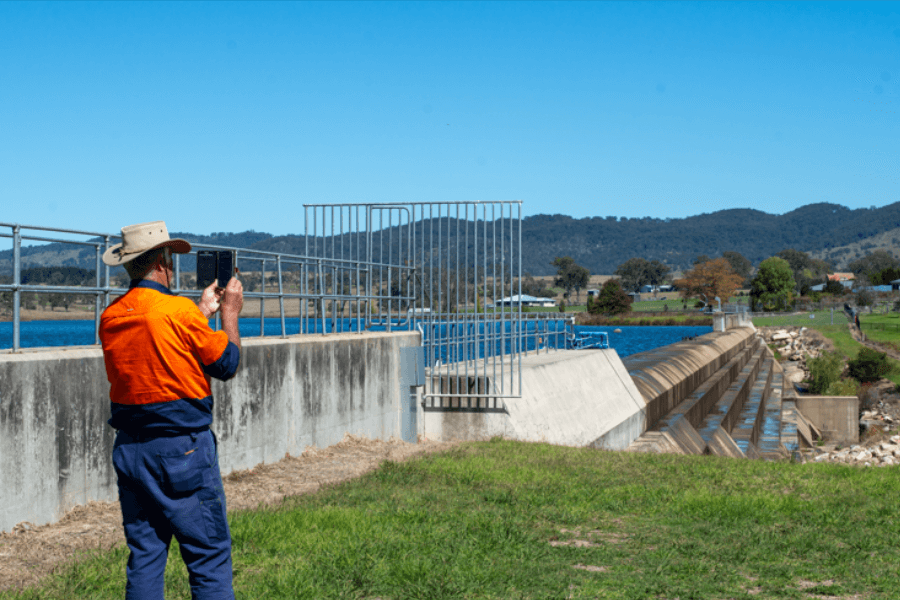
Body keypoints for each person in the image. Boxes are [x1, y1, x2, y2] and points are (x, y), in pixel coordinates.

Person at [99, 221, 244, 600]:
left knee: (146, 556)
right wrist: (229, 313)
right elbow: (226, 364)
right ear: (162, 261)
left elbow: (157, 345)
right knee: (208, 556)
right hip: (183, 451)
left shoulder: (111, 316)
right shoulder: (179, 312)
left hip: (131, 450)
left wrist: (200, 313)